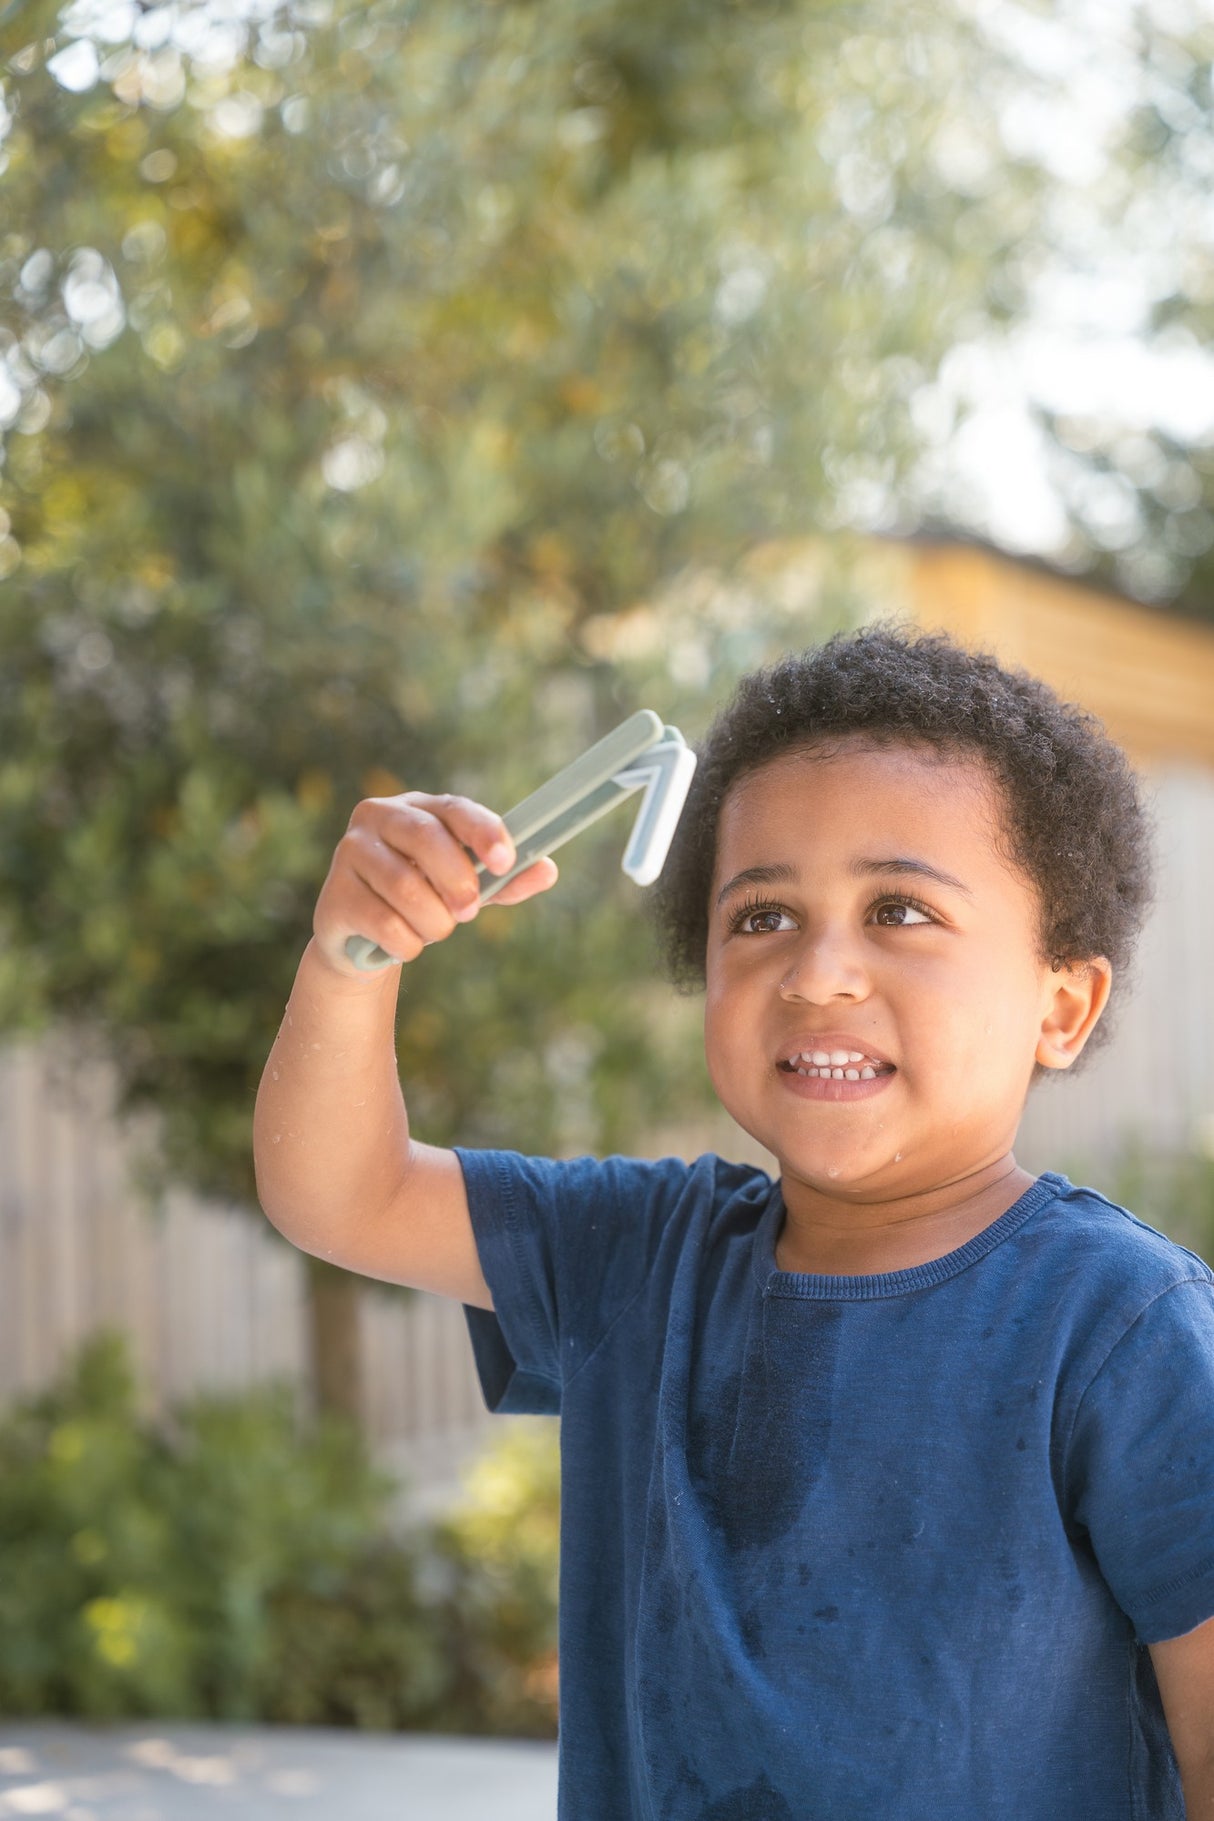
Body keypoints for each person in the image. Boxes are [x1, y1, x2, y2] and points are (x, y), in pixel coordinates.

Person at [254, 624, 1214, 1820]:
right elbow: (340, 1192)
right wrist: (353, 957)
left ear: (1059, 1007)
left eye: (900, 911)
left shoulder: (1122, 1328)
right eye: (760, 917)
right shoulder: (633, 1259)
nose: (816, 973)